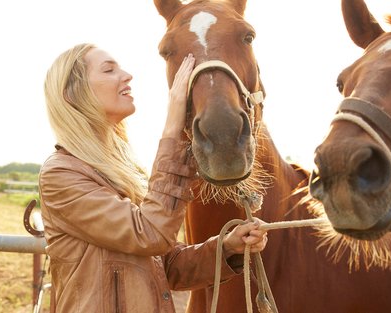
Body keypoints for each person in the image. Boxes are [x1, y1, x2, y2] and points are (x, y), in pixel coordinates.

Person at [39, 43, 268, 313]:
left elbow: (165, 266)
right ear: (72, 93)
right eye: (109, 70)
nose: (126, 75)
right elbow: (148, 234)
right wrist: (172, 125)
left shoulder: (121, 170)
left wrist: (227, 248)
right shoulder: (61, 175)